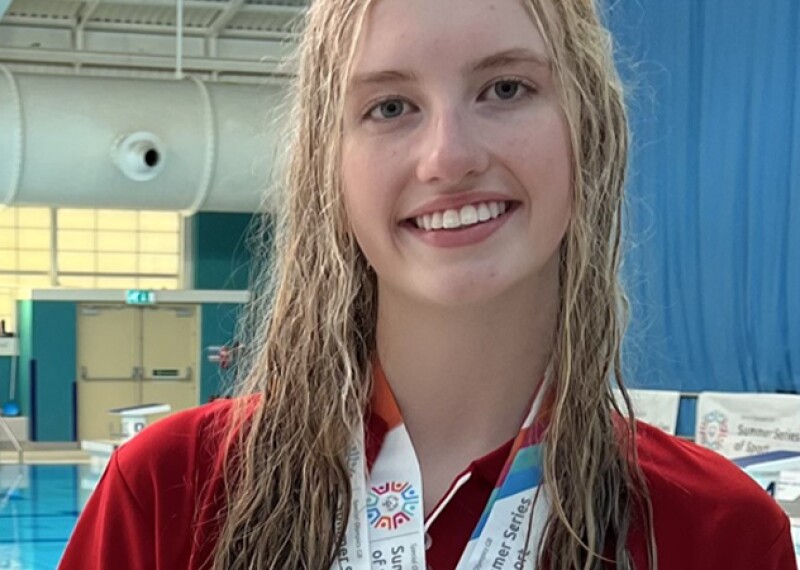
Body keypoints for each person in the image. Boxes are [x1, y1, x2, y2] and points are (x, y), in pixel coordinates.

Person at [59, 0, 795, 568]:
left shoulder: (715, 530)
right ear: (330, 165)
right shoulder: (169, 495)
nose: (448, 156)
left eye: (506, 87)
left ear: (590, 131)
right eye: (390, 106)